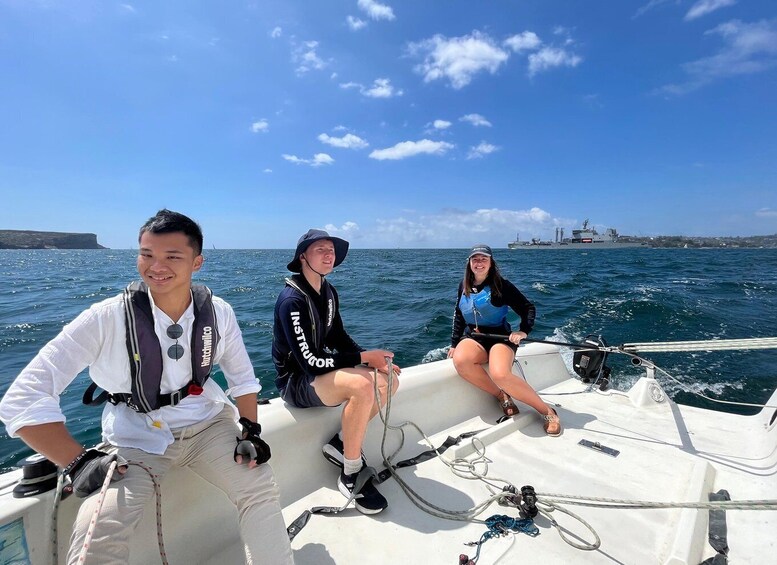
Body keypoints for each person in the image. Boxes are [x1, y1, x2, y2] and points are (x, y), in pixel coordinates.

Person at [0, 209, 294, 565]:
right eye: (147, 254)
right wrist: (76, 461)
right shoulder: (106, 317)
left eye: (172, 256)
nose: (157, 266)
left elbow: (243, 379)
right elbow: (22, 399)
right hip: (135, 438)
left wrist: (251, 430)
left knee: (260, 487)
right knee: (100, 529)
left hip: (208, 428)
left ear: (197, 262)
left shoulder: (219, 312)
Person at [272, 229, 400, 515]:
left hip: (318, 373)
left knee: (389, 379)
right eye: (320, 249)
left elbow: (338, 338)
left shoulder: (328, 292)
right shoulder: (291, 301)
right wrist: (362, 358)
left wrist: (370, 361)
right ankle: (351, 471)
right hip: (297, 382)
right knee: (361, 386)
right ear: (303, 257)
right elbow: (309, 363)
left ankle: (341, 443)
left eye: (331, 249)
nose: (329, 254)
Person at [448, 244, 561, 436]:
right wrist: (454, 343)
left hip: (500, 338)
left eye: (484, 259)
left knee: (500, 374)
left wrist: (523, 331)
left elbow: (528, 308)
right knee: (460, 361)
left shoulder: (502, 286)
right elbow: (459, 314)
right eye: (475, 259)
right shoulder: (463, 286)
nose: (479, 262)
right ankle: (502, 396)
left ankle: (548, 412)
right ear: (469, 263)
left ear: (491, 263)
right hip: (475, 337)